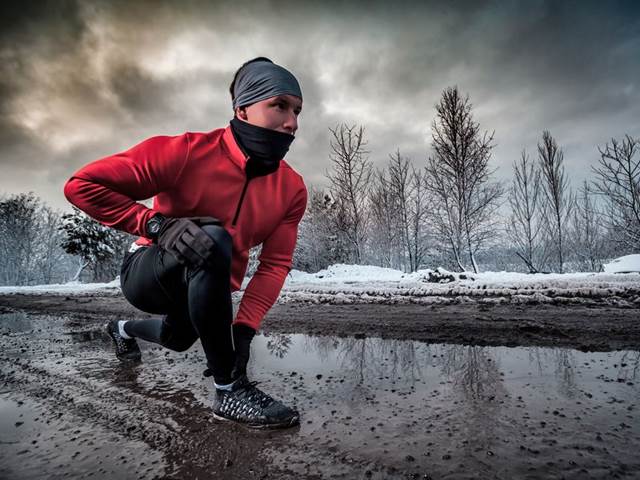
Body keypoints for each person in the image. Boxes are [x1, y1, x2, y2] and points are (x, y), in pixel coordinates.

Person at [63, 57, 307, 429]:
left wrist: (243, 329)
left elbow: (273, 265)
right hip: (148, 269)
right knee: (211, 236)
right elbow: (81, 185)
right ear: (242, 108)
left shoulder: (291, 189)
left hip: (207, 284)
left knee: (176, 339)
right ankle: (229, 391)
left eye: (297, 110)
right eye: (279, 105)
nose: (292, 122)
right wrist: (156, 224)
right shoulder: (186, 152)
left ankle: (122, 330)